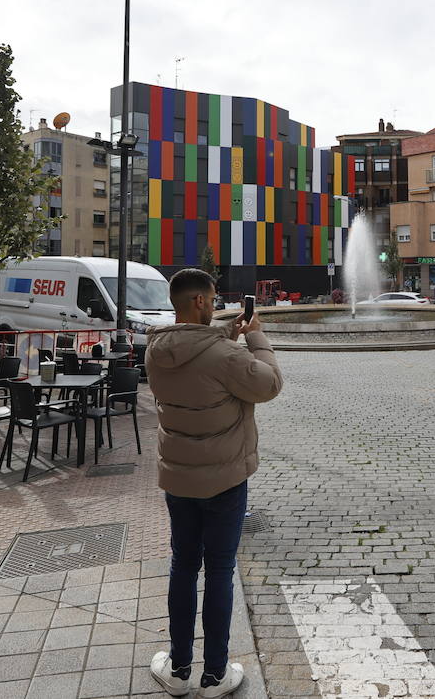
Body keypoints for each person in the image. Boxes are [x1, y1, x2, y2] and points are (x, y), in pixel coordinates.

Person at [146, 268, 283, 697]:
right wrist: (256, 337)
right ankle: (216, 674)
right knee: (220, 570)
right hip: (225, 479)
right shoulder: (226, 357)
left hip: (178, 477)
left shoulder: (156, 351)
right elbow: (269, 383)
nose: (217, 301)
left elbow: (199, 348)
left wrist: (229, 333)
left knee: (183, 566)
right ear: (202, 302)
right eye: (214, 297)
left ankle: (180, 669)